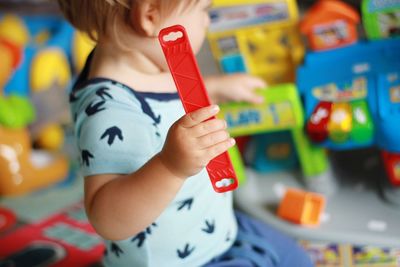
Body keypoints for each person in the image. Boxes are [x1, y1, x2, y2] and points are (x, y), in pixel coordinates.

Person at [57, 0, 314, 266]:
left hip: (211, 226)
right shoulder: (110, 110)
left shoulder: (148, 60)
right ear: (150, 16)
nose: (207, 20)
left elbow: (168, 94)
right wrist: (170, 166)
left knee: (295, 258)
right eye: (204, 9)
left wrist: (215, 88)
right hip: (178, 261)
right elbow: (107, 220)